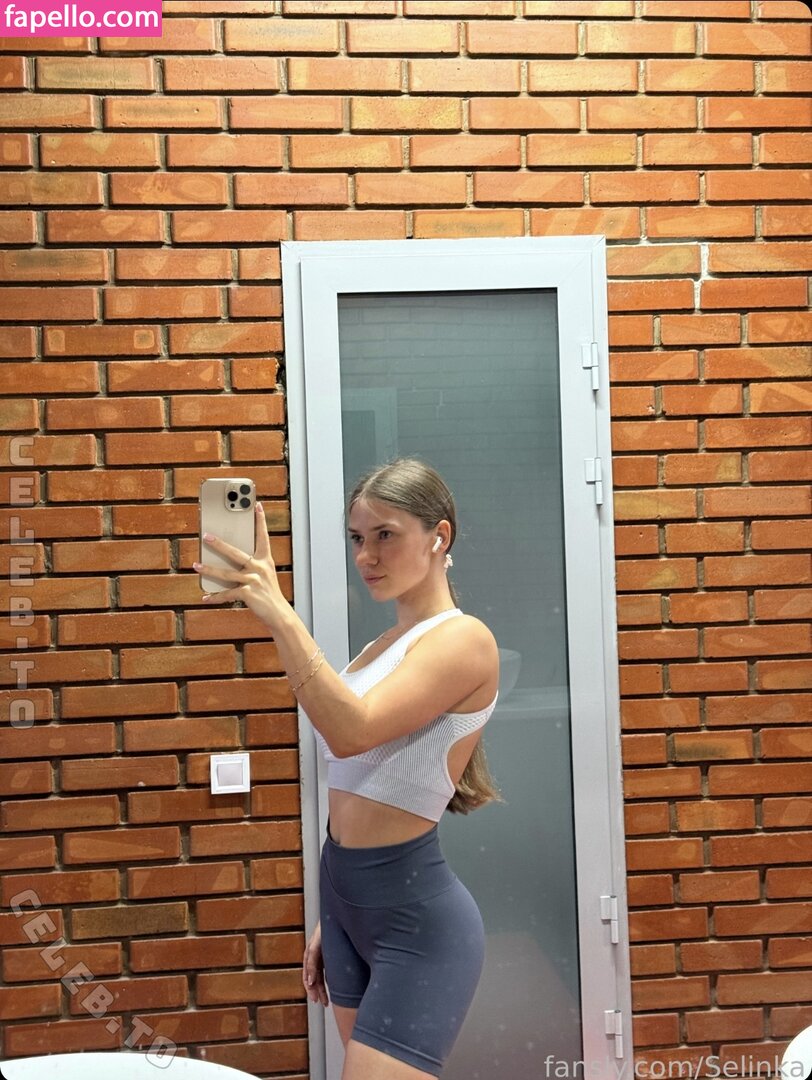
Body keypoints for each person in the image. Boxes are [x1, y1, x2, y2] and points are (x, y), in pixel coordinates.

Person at [194, 456, 502, 1079]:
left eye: (386, 534)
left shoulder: (465, 639)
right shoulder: (380, 649)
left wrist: (279, 611)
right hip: (348, 910)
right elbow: (355, 784)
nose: (367, 555)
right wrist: (337, 913)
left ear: (439, 537)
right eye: (358, 538)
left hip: (416, 927)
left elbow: (352, 733)